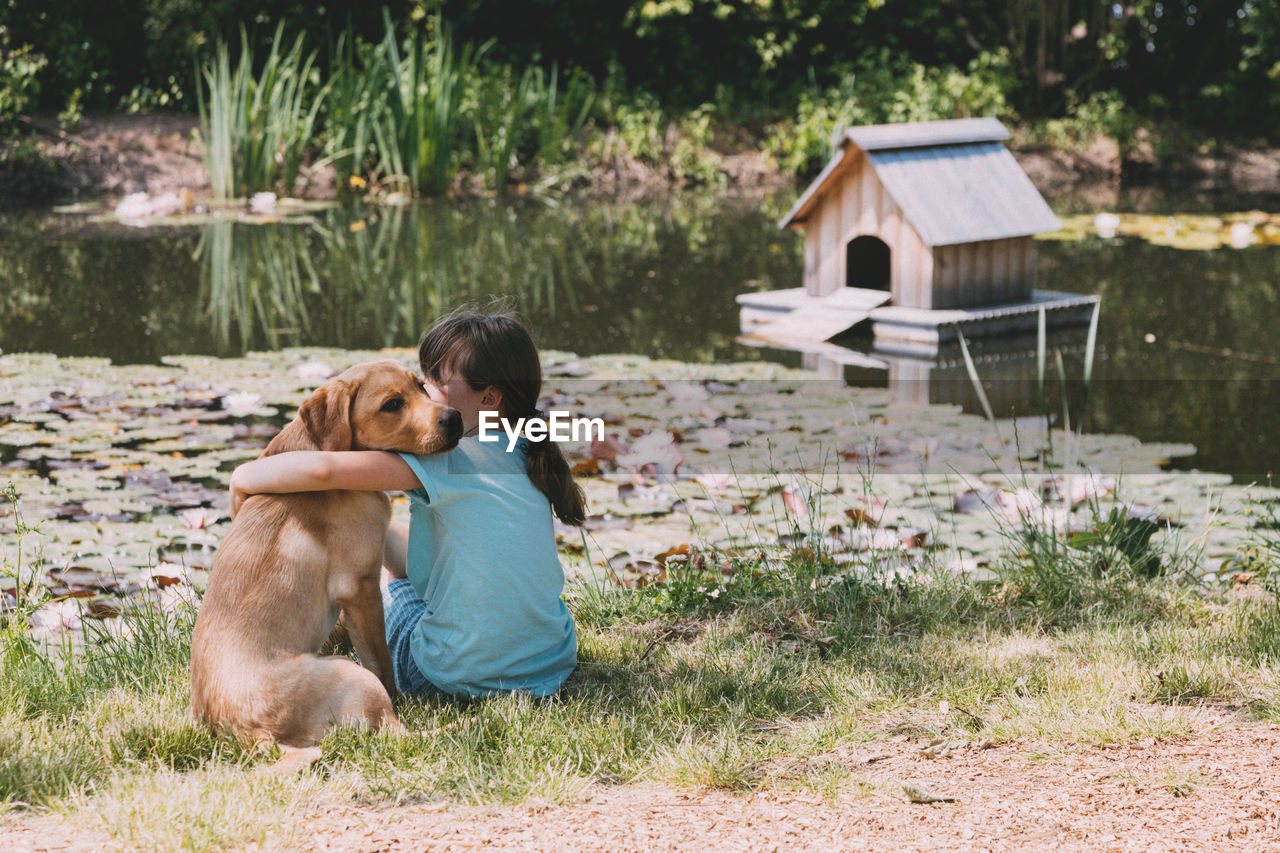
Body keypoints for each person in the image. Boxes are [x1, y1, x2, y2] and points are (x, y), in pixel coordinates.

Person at [228, 309, 586, 699]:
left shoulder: (449, 458)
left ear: (489, 397)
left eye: (431, 383)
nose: (425, 397)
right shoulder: (528, 452)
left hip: (452, 675)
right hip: (552, 662)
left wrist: (244, 477)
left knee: (381, 582)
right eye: (421, 380)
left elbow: (326, 470)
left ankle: (340, 634)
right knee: (387, 543)